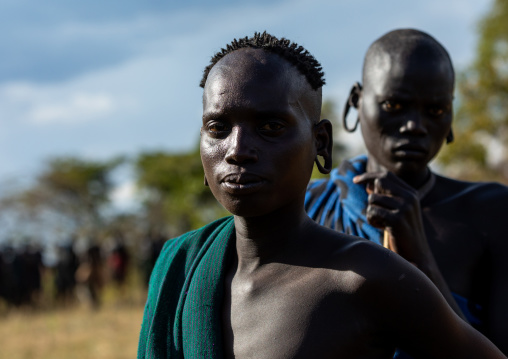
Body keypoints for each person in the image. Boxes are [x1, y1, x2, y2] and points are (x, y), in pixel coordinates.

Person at [138, 32, 506, 358]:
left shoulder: (365, 276)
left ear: (321, 143)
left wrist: (418, 256)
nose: (237, 149)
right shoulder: (181, 268)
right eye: (217, 128)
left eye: (269, 127)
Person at [305, 28, 508, 355]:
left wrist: (420, 263)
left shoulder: (493, 211)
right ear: (356, 101)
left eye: (436, 110)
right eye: (394, 104)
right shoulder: (305, 208)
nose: (414, 125)